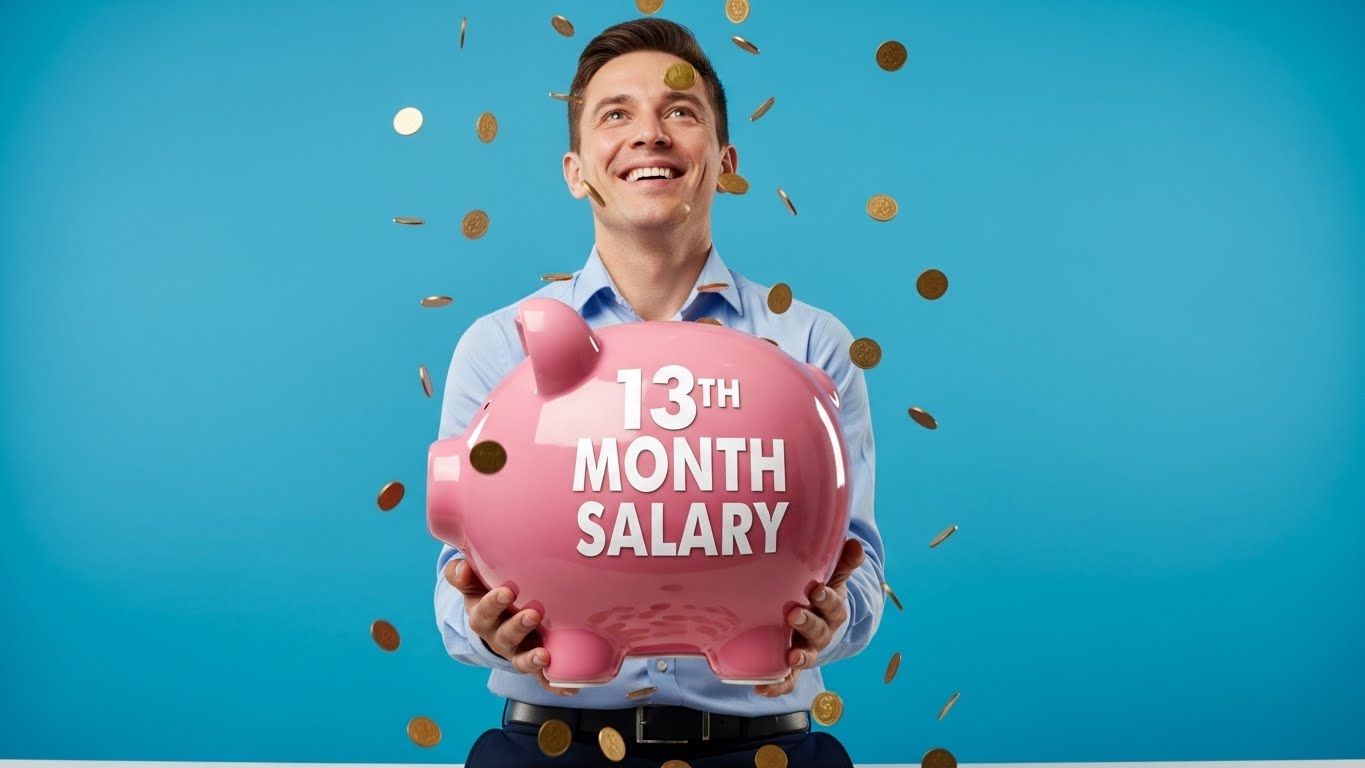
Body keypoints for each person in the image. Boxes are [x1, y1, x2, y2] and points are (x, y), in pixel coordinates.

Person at [434, 17, 885, 767]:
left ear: (725, 159)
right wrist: (489, 627)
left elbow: (857, 563)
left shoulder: (810, 343)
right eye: (616, 114)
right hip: (549, 743)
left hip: (765, 746)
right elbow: (456, 587)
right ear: (575, 170)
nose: (650, 134)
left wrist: (829, 622)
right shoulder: (500, 346)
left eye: (680, 112)